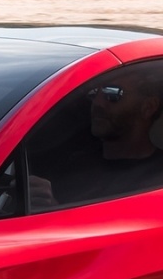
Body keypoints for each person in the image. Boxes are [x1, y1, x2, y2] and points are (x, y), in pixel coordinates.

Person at [28, 66, 163, 212]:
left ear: (149, 107)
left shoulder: (157, 177)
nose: (97, 103)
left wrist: (54, 211)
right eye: (94, 93)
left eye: (112, 94)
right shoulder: (73, 163)